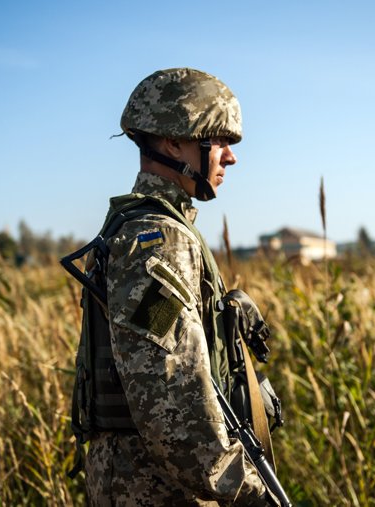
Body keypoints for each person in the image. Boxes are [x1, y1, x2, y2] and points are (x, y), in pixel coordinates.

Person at [80, 68, 270, 505]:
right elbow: (170, 396)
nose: (230, 157)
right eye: (218, 141)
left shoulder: (152, 230)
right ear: (173, 142)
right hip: (157, 488)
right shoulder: (156, 243)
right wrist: (248, 493)